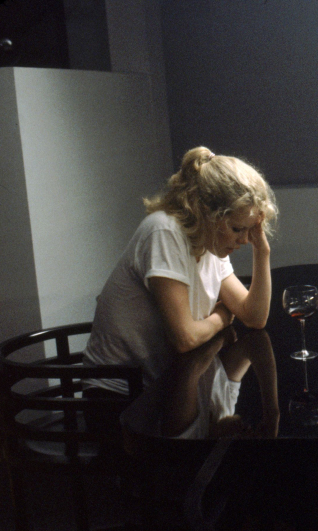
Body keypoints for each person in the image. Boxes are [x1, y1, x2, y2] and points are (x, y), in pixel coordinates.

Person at [83, 146, 278, 396]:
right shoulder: (164, 232)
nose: (245, 239)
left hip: (164, 383)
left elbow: (254, 317)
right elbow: (185, 339)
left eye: (249, 230)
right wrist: (221, 316)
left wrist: (262, 252)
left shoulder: (210, 242)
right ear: (207, 213)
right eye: (237, 229)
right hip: (118, 392)